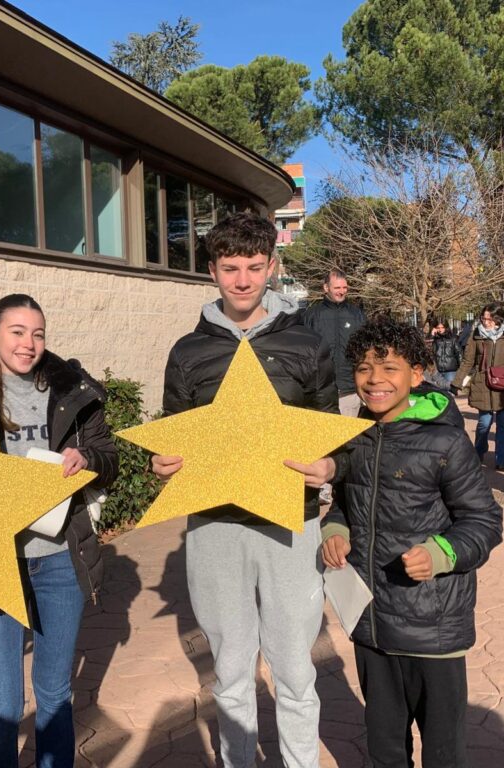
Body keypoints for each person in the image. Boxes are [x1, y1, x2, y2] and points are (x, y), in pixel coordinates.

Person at [152, 212, 338, 768]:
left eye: (254, 268)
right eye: (230, 268)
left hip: (291, 523)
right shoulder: (187, 351)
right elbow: (174, 431)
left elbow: (333, 430)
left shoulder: (307, 344)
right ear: (212, 271)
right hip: (214, 526)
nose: (242, 280)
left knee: (295, 669)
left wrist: (329, 467)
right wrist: (166, 463)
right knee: (231, 670)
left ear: (272, 267)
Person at [0, 294, 118, 767]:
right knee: (2, 705)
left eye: (38, 334)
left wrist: (86, 459)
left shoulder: (70, 387)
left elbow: (108, 457)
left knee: (54, 692)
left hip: (58, 558)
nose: (28, 343)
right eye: (16, 332)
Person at [322, 319, 503, 768]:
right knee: (384, 747)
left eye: (389, 368)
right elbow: (345, 501)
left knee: (443, 751)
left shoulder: (445, 440)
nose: (375, 380)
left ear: (416, 375)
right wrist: (335, 531)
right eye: (364, 369)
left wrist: (442, 553)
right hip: (372, 623)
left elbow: (484, 520)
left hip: (433, 627)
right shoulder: (355, 438)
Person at [451, 305, 504, 471]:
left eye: (489, 319)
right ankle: (478, 452)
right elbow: (468, 362)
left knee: (503, 425)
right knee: (484, 423)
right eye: (483, 318)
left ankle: (503, 461)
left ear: (498, 319)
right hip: (483, 385)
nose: (485, 322)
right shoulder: (476, 336)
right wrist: (456, 383)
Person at [302, 267, 366, 416]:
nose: (342, 291)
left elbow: (366, 350)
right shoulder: (311, 316)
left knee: (348, 437)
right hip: (319, 393)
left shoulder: (357, 315)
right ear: (326, 288)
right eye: (337, 287)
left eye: (345, 287)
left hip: (349, 392)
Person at [430, 318, 461, 388]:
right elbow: (428, 352)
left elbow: (459, 354)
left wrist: (460, 370)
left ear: (446, 327)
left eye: (442, 327)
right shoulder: (434, 340)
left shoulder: (453, 339)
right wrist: (431, 336)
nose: (440, 330)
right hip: (437, 371)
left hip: (451, 371)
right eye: (438, 327)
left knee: (450, 392)